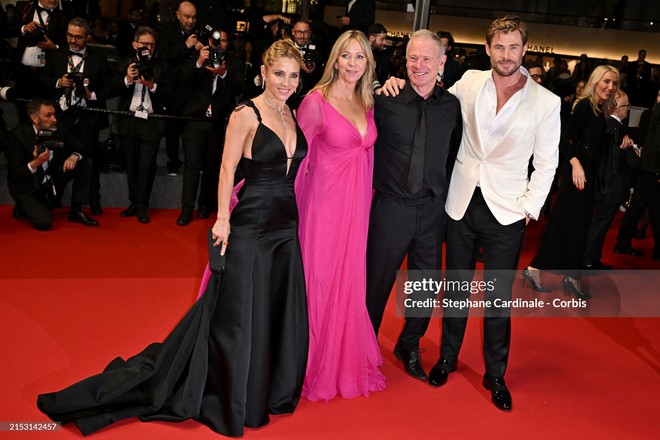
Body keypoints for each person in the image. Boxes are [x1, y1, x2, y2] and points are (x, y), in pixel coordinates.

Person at [36, 39, 309, 438]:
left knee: (270, 309)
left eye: (294, 75)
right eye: (279, 73)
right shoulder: (245, 113)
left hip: (286, 227)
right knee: (239, 315)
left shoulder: (292, 112)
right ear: (263, 73)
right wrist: (223, 221)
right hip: (251, 224)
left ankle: (262, 390)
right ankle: (233, 397)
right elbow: (226, 170)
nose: (286, 82)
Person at [382, 16, 560, 410]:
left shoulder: (547, 103)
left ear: (525, 50)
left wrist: (529, 208)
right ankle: (447, 357)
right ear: (488, 49)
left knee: (498, 298)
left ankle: (495, 374)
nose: (507, 55)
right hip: (460, 203)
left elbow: (547, 163)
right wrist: (392, 83)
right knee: (457, 290)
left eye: (514, 47)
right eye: (500, 47)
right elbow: (429, 92)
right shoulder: (469, 84)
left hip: (508, 211)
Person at [294, 30, 385, 402]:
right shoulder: (317, 101)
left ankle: (341, 357)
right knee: (319, 279)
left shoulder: (367, 101)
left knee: (348, 279)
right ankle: (309, 360)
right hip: (323, 208)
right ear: (335, 59)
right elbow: (295, 158)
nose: (352, 63)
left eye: (360, 57)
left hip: (356, 207)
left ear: (368, 63)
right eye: (346, 56)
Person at [367, 30, 462, 383]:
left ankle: (409, 344)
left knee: (424, 287)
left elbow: (453, 155)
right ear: (404, 61)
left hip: (431, 211)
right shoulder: (384, 100)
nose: (419, 66)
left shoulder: (451, 106)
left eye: (427, 59)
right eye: (412, 58)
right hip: (391, 208)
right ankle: (363, 344)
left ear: (442, 63)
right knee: (375, 285)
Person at [527, 65, 619, 298]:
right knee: (567, 224)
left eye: (614, 83)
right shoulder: (586, 106)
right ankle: (552, 272)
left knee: (575, 226)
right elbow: (565, 139)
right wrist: (576, 164)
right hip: (577, 177)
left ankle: (558, 273)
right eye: (606, 81)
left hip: (586, 177)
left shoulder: (599, 109)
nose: (610, 87)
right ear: (596, 81)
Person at [39, 17, 118, 216]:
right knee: (57, 158)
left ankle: (91, 201)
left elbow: (109, 86)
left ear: (87, 37)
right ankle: (54, 198)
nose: (73, 40)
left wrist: (91, 93)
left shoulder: (98, 58)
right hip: (60, 116)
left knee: (88, 160)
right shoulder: (55, 55)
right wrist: (58, 82)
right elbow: (41, 79)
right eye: (70, 35)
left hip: (87, 115)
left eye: (78, 37)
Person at [176, 28, 244, 225]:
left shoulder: (235, 64)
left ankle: (205, 206)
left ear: (228, 43)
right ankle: (186, 209)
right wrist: (199, 61)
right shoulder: (199, 57)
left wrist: (223, 73)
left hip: (218, 122)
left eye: (223, 41)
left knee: (212, 166)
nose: (219, 44)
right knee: (191, 166)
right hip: (195, 121)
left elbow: (239, 88)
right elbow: (183, 80)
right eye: (216, 41)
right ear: (209, 41)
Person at [6, 98, 98, 230]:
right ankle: (22, 208)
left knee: (85, 162)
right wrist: (37, 162)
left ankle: (76, 211)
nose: (54, 119)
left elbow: (81, 148)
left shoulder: (58, 128)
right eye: (48, 115)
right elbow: (16, 173)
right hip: (27, 186)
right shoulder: (17, 136)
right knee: (44, 222)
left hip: (52, 178)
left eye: (54, 114)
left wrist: (73, 156)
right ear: (35, 118)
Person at [116, 26, 171, 224]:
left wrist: (151, 85)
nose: (147, 48)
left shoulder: (162, 67)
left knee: (147, 165)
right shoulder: (125, 64)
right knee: (131, 164)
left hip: (151, 122)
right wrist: (127, 79)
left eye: (151, 45)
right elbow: (113, 87)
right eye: (143, 44)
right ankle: (133, 202)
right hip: (129, 120)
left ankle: (142, 205)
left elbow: (170, 94)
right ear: (134, 45)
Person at [582, 90, 638, 269]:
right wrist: (634, 152)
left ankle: (592, 258)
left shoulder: (607, 126)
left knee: (599, 224)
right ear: (616, 108)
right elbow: (631, 162)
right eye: (626, 105)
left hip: (603, 185)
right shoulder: (616, 129)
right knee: (599, 226)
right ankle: (587, 261)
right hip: (611, 187)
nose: (628, 109)